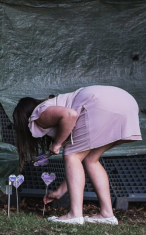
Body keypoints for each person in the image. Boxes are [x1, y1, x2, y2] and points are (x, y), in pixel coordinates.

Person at [12, 85, 142, 225]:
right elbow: (76, 167)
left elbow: (70, 115)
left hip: (100, 104)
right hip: (127, 104)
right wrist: (59, 192)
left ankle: (75, 214)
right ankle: (107, 214)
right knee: (90, 160)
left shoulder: (39, 112)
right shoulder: (57, 103)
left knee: (72, 155)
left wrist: (57, 144)